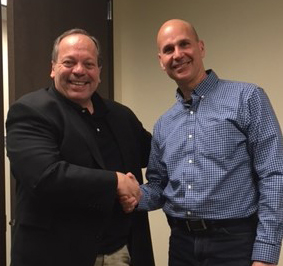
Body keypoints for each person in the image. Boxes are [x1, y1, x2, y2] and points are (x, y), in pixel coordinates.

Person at [134, 19, 283, 266]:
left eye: (184, 44)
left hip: (235, 245)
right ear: (161, 61)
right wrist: (130, 194)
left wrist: (265, 253)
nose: (178, 54)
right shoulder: (164, 124)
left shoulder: (247, 98)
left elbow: (275, 174)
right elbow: (159, 187)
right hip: (181, 244)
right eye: (169, 49)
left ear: (200, 48)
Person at [6, 28, 155, 266]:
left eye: (89, 63)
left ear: (99, 71)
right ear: (53, 67)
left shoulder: (121, 116)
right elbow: (44, 176)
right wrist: (116, 182)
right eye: (69, 62)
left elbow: (156, 155)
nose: (79, 71)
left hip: (122, 253)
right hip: (54, 256)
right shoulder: (30, 111)